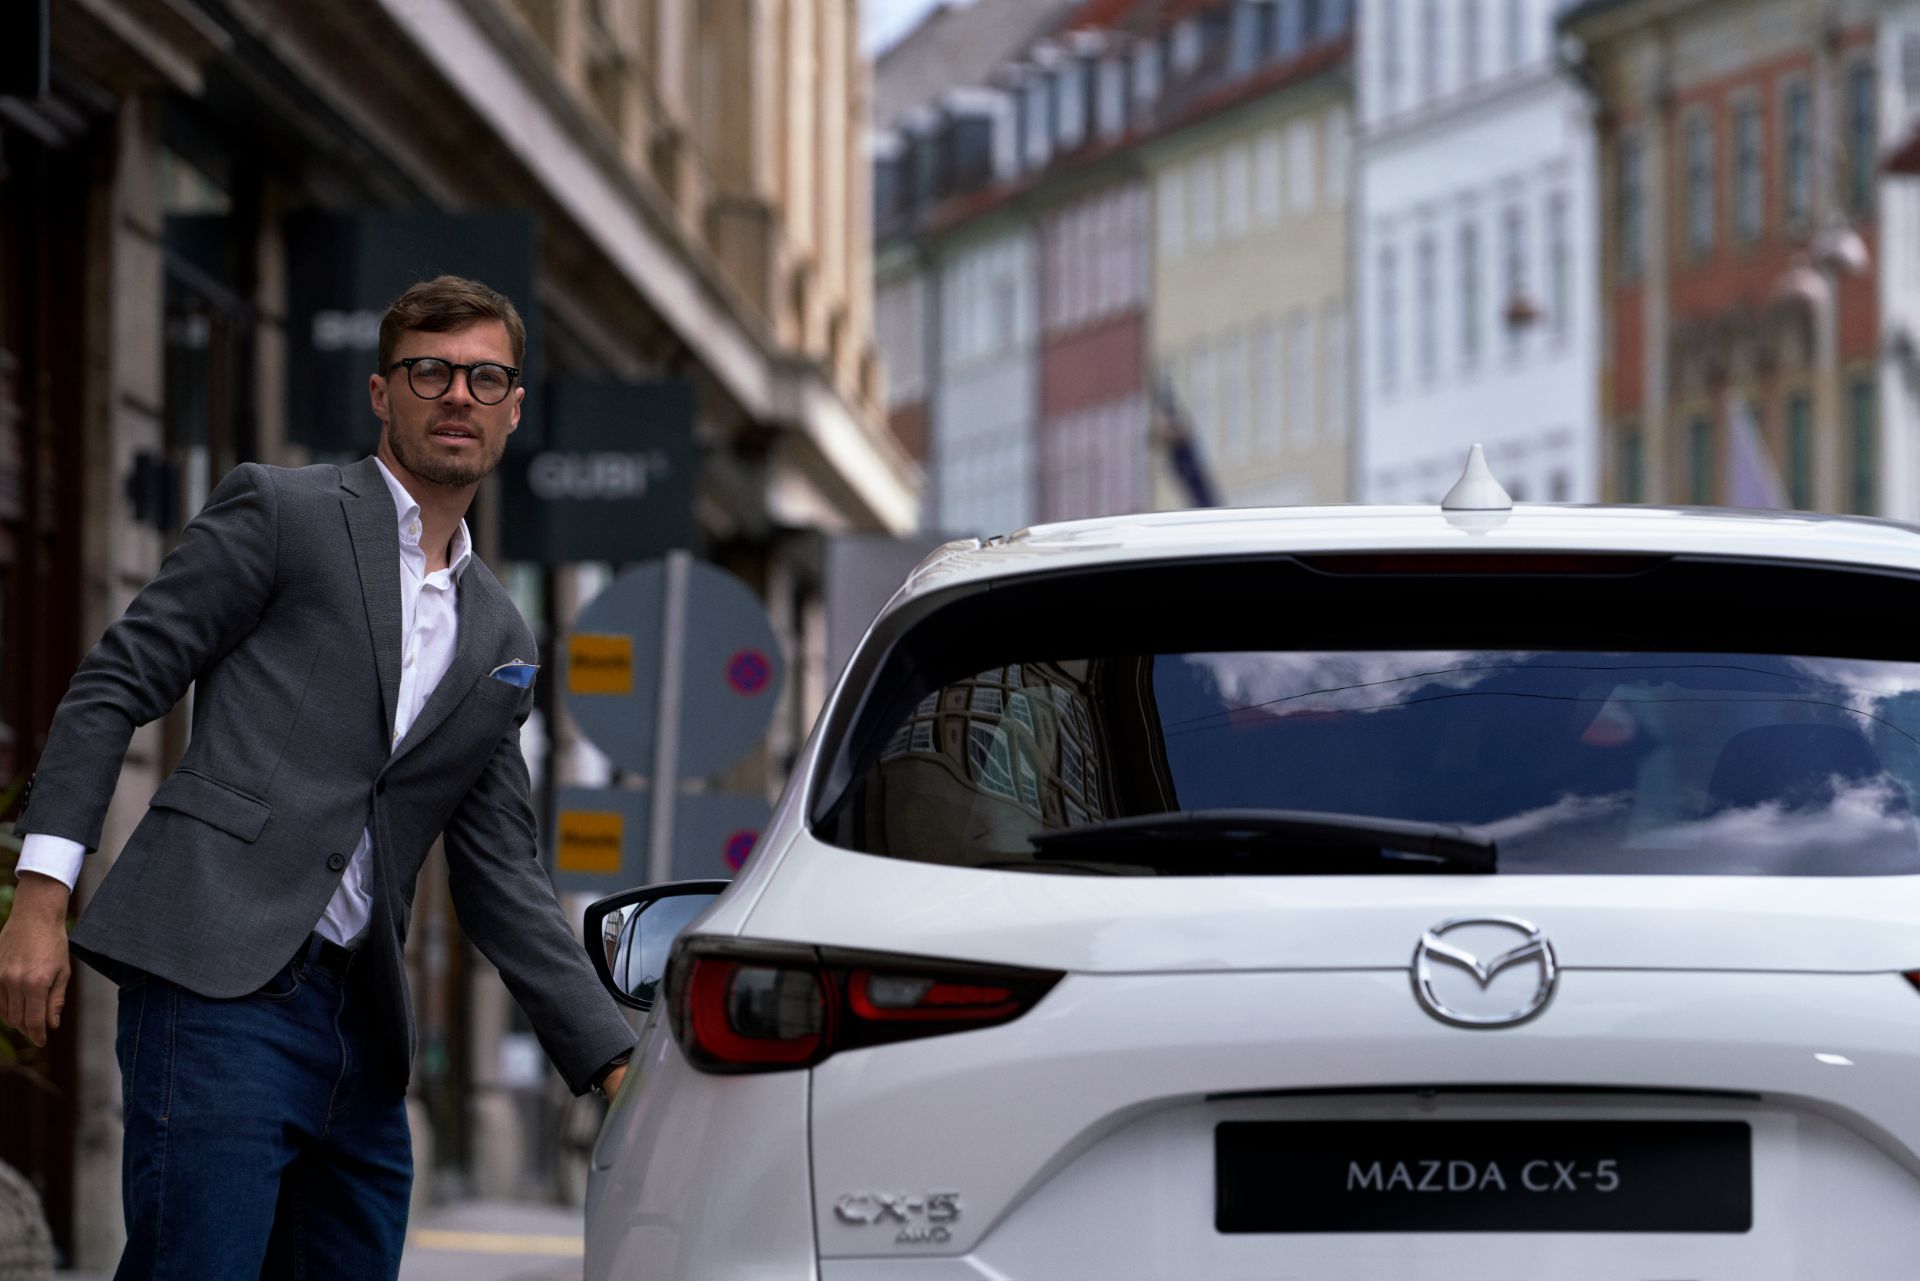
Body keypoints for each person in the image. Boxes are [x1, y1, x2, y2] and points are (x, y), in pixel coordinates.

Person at [0, 275, 636, 1280]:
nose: (458, 395)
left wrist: (612, 1059)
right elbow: (116, 682)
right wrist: (41, 899)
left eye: (485, 377)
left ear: (514, 408)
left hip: (361, 1036)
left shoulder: (503, 635)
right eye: (430, 372)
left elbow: (502, 876)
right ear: (383, 393)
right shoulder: (283, 511)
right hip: (217, 985)